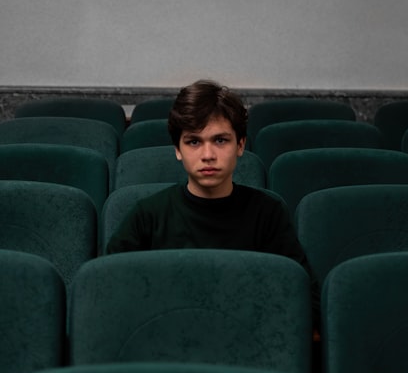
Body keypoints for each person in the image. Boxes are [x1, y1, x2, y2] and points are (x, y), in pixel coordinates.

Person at [105, 79, 311, 272]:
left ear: (240, 145)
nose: (208, 155)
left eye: (220, 140)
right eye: (194, 142)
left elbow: (301, 295)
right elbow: (106, 289)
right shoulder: (146, 216)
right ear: (178, 149)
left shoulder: (268, 213)